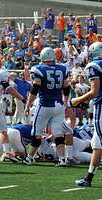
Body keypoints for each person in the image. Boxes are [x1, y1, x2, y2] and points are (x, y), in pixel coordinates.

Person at [25, 47, 70, 166]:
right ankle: (62, 159)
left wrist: (28, 104)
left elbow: (35, 88)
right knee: (58, 132)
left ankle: (30, 157)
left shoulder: (39, 69)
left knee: (37, 133)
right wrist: (66, 101)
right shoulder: (62, 68)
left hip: (45, 104)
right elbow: (66, 86)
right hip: (59, 105)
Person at [71, 42, 102, 187]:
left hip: (101, 107)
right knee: (96, 144)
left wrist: (77, 100)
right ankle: (88, 178)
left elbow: (95, 91)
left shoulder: (94, 66)